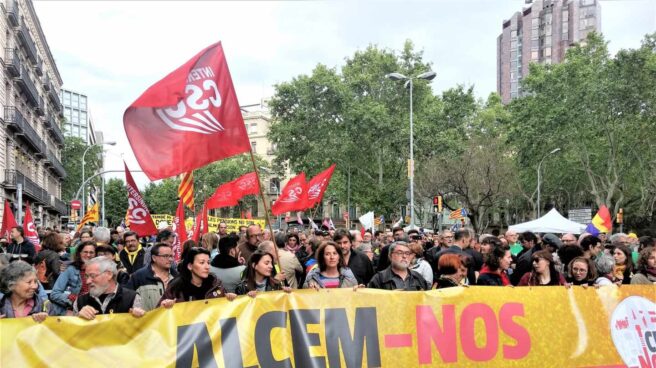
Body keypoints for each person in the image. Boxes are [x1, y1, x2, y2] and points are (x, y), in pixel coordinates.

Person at [159, 248, 236, 307]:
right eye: (202, 263)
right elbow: (157, 316)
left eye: (208, 262)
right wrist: (164, 306)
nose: (207, 267)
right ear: (190, 266)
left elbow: (226, 310)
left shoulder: (216, 285)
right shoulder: (175, 287)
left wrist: (231, 299)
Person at [74, 257, 145, 320]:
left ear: (109, 274)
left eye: (92, 276)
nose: (87, 281)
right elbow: (72, 331)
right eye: (86, 276)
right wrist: (79, 318)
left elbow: (142, 331)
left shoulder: (132, 298)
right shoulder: (80, 301)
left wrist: (139, 318)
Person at [125, 243, 179, 311]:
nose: (170, 259)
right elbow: (125, 300)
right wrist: (133, 310)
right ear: (154, 258)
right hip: (147, 320)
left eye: (171, 256)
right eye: (165, 256)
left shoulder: (177, 276)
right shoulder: (139, 276)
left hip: (171, 320)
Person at [49, 241, 96, 316]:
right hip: (78, 311)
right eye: (85, 252)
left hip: (97, 311)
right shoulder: (71, 269)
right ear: (80, 253)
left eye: (91, 252)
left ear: (95, 254)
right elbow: (55, 294)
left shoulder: (101, 270)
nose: (88, 255)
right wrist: (74, 299)